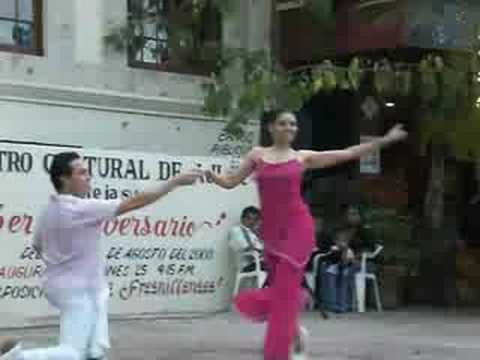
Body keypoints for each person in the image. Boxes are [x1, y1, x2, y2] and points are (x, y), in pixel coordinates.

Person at [206, 111, 407, 360]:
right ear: (271, 127)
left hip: (297, 229)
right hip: (271, 232)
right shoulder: (257, 155)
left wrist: (384, 141)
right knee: (281, 292)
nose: (289, 127)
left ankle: (277, 354)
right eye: (283, 123)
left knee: (284, 295)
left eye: (293, 124)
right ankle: (296, 335)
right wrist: (212, 177)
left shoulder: (303, 158)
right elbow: (230, 181)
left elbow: (348, 153)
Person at [0, 152, 202, 360]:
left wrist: (62, 265)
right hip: (79, 290)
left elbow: (37, 245)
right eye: (82, 173)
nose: (88, 177)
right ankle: (17, 357)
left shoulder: (49, 209)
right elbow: (136, 201)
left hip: (67, 287)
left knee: (93, 351)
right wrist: (175, 181)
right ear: (64, 178)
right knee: (74, 353)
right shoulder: (79, 208)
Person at [229, 206, 265, 272]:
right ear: (242, 219)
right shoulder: (236, 230)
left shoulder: (255, 232)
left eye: (255, 219)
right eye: (249, 218)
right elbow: (246, 247)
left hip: (260, 262)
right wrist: (261, 251)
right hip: (248, 265)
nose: (252, 222)